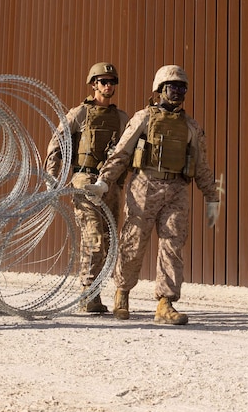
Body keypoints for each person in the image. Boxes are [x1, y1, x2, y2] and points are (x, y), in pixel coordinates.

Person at [85, 65, 221, 325]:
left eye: (182, 87)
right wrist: (104, 181)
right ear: (160, 89)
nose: (178, 92)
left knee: (173, 246)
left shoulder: (191, 126)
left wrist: (211, 196)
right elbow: (121, 152)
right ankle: (122, 294)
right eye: (173, 87)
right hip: (145, 186)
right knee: (133, 242)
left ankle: (165, 303)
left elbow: (201, 165)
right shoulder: (144, 118)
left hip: (177, 190)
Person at [45, 62, 130, 314]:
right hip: (84, 180)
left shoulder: (122, 118)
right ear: (94, 84)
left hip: (111, 185)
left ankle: (95, 293)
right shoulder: (79, 114)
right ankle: (87, 295)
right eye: (103, 81)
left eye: (112, 82)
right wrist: (52, 181)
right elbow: (56, 146)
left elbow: (128, 152)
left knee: (109, 241)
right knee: (93, 238)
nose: (108, 86)